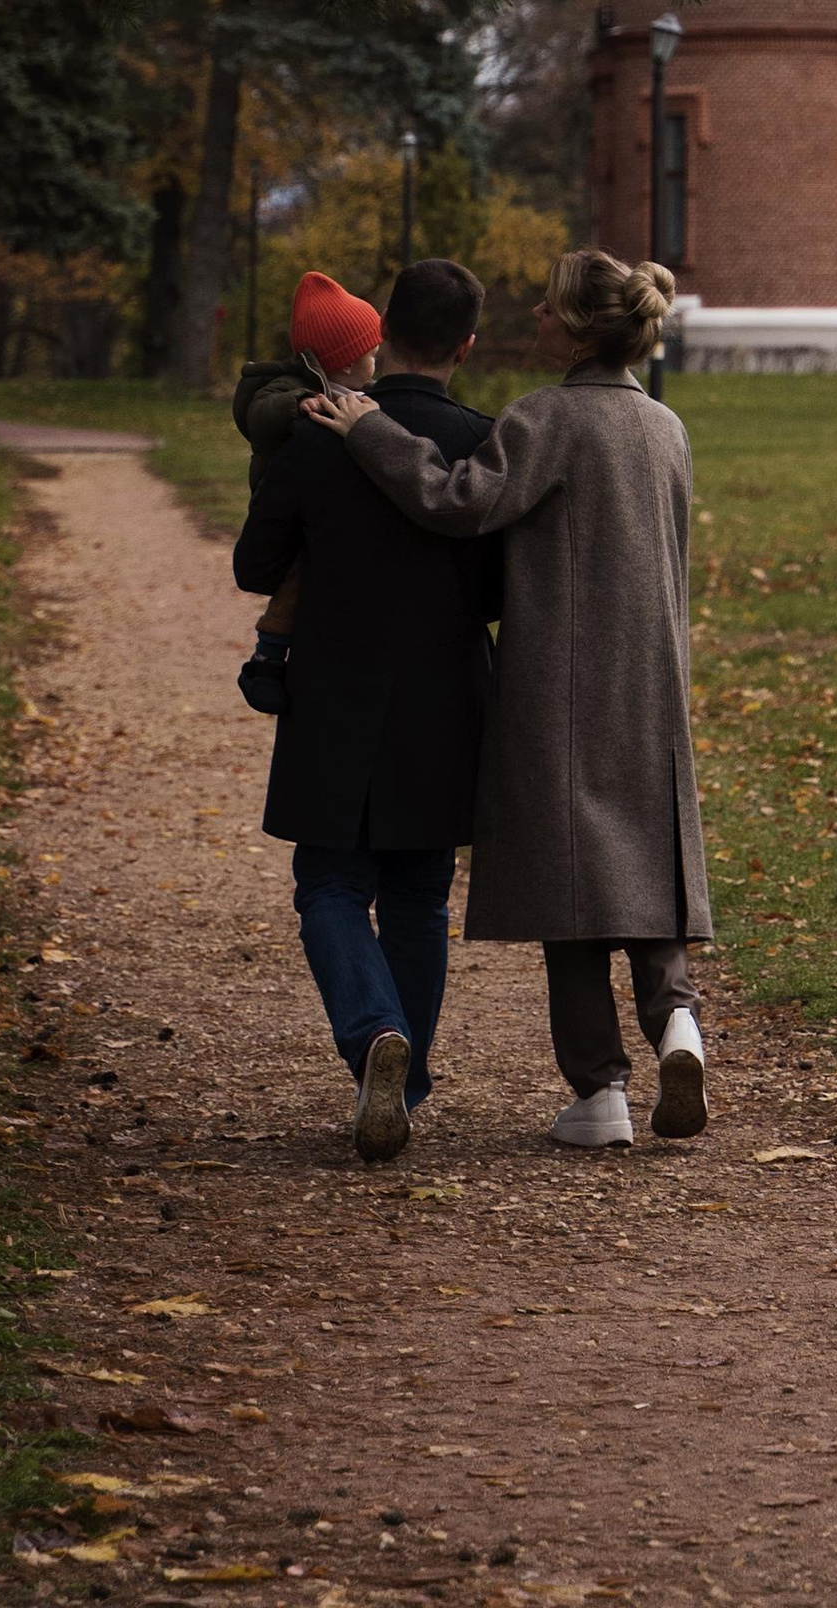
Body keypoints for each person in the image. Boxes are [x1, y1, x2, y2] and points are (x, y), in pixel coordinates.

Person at [304, 248, 711, 1154]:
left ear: (575, 328)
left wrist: (368, 427)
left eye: (545, 305)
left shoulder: (547, 420)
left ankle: (601, 1092)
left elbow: (456, 501)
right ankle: (677, 1026)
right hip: (649, 678)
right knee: (645, 869)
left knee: (569, 889)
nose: (531, 314)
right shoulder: (666, 428)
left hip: (561, 683)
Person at [233, 255, 502, 1162]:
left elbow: (252, 567)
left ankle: (372, 1034)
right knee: (421, 897)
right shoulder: (481, 439)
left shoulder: (318, 434)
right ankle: (405, 1078)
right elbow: (502, 586)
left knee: (332, 886)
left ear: (384, 330)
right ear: (467, 344)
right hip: (444, 698)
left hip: (337, 693)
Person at [229, 270, 385, 713]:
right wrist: (298, 404)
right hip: (288, 509)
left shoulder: (359, 390)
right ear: (348, 360)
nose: (377, 363)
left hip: (323, 504)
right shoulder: (286, 386)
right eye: (371, 355)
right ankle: (268, 656)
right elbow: (258, 413)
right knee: (297, 579)